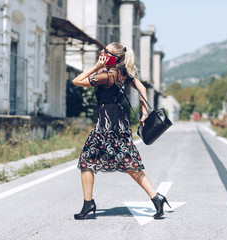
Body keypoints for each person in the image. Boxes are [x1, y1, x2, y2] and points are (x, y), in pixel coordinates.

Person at [72, 42, 170, 220]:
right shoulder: (123, 73)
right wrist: (144, 111)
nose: (102, 52)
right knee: (129, 162)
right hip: (120, 122)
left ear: (113, 57)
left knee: (87, 160)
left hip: (106, 123)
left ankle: (89, 204)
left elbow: (76, 81)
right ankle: (157, 198)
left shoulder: (106, 76)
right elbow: (142, 87)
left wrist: (96, 66)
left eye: (105, 51)